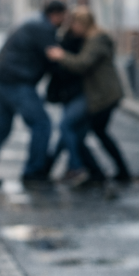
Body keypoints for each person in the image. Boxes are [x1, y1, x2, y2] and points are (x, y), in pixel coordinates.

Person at [0, 0, 67, 186]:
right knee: (42, 124)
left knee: (0, 128)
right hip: (16, 81)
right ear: (56, 15)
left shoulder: (33, 21)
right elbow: (54, 59)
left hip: (1, 78)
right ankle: (34, 171)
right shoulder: (43, 28)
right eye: (64, 16)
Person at [46, 6, 131, 183]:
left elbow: (83, 63)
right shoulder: (92, 39)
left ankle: (95, 170)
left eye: (74, 25)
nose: (73, 29)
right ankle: (105, 171)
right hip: (101, 94)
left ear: (82, 24)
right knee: (91, 132)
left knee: (81, 131)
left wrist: (61, 56)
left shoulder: (96, 40)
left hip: (103, 96)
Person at [44, 29, 106, 184]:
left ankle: (77, 168)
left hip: (86, 95)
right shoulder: (73, 40)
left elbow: (80, 65)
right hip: (75, 95)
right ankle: (95, 172)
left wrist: (62, 57)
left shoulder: (90, 43)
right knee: (74, 135)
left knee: (67, 128)